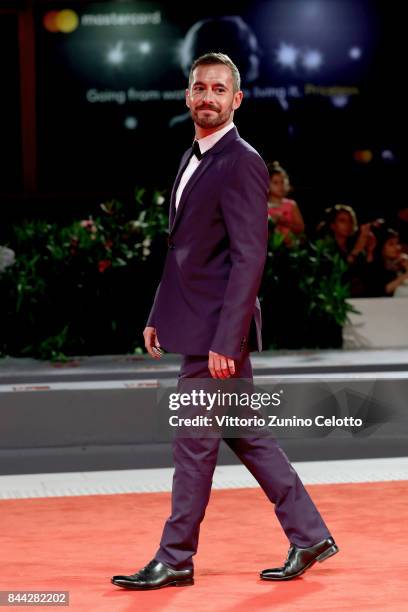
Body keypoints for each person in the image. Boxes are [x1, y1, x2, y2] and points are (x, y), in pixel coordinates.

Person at [111, 52, 338, 591]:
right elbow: (184, 251)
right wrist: (156, 314)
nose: (208, 97)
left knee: (192, 447)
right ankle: (309, 535)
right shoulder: (194, 156)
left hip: (216, 337)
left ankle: (176, 557)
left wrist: (228, 339)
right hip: (193, 325)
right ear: (188, 96)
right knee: (248, 434)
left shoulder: (241, 160)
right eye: (200, 88)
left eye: (219, 89)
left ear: (236, 100)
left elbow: (249, 257)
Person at [267, 161, 304, 244]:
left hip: (291, 249)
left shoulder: (291, 204)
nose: (281, 186)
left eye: (282, 182)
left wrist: (284, 222)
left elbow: (300, 229)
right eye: (275, 183)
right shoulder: (263, 206)